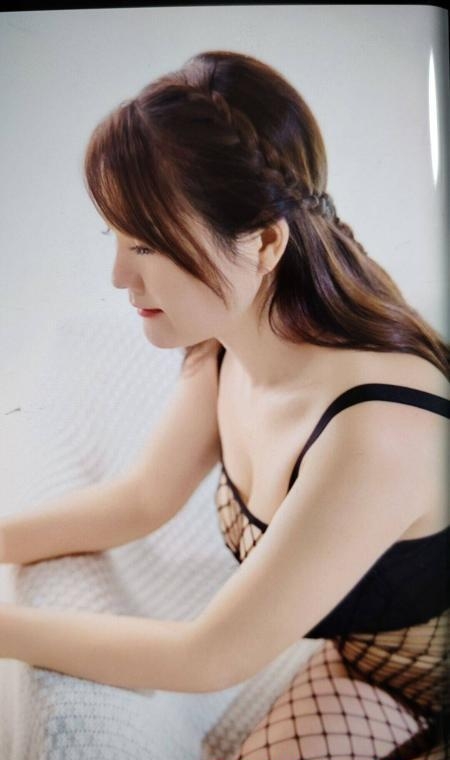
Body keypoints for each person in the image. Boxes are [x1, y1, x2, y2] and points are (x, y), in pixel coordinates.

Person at [1, 50, 449, 759]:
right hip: (360, 660)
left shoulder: (377, 431)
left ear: (265, 242)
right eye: (117, 237)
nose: (118, 276)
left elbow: (208, 656)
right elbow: (141, 500)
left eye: (147, 245)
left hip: (425, 678)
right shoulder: (227, 343)